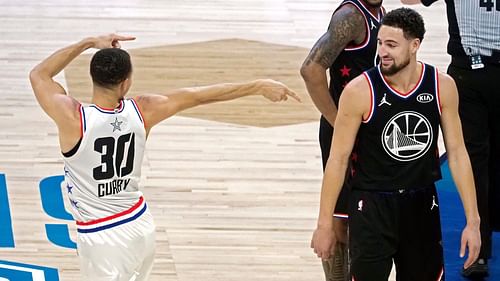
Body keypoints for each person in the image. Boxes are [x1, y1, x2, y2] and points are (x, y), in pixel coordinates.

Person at [29, 34, 300, 281]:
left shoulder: (72, 117)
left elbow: (39, 75)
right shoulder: (145, 110)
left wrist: (87, 43)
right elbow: (198, 96)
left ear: (92, 76)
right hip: (140, 225)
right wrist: (258, 85)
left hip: (101, 236)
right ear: (126, 83)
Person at [311, 7, 481, 281]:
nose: (383, 52)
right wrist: (325, 223)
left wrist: (473, 222)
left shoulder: (442, 86)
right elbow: (337, 159)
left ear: (415, 46)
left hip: (422, 203)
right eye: (380, 43)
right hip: (371, 205)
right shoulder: (359, 91)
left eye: (392, 45)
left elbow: (458, 154)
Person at [400, 0, 500, 277]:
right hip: (467, 78)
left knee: (477, 161)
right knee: (472, 160)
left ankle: (481, 243)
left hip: (468, 73)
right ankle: (478, 243)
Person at [300, 1, 384, 280]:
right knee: (340, 221)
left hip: (368, 132)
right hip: (344, 131)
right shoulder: (351, 17)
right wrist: (338, 123)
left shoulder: (380, 15)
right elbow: (311, 70)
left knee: (363, 214)